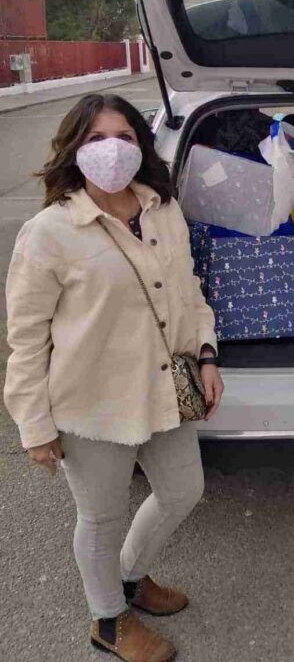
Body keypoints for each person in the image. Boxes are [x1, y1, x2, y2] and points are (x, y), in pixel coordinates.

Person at [3, 94, 225, 662]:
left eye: (124, 137)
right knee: (101, 518)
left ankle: (129, 577)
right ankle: (108, 619)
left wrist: (206, 354)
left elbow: (189, 290)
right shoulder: (49, 232)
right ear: (73, 150)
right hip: (90, 405)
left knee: (182, 490)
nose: (112, 150)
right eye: (96, 139)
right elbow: (26, 339)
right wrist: (34, 426)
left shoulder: (162, 209)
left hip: (165, 391)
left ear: (141, 145)